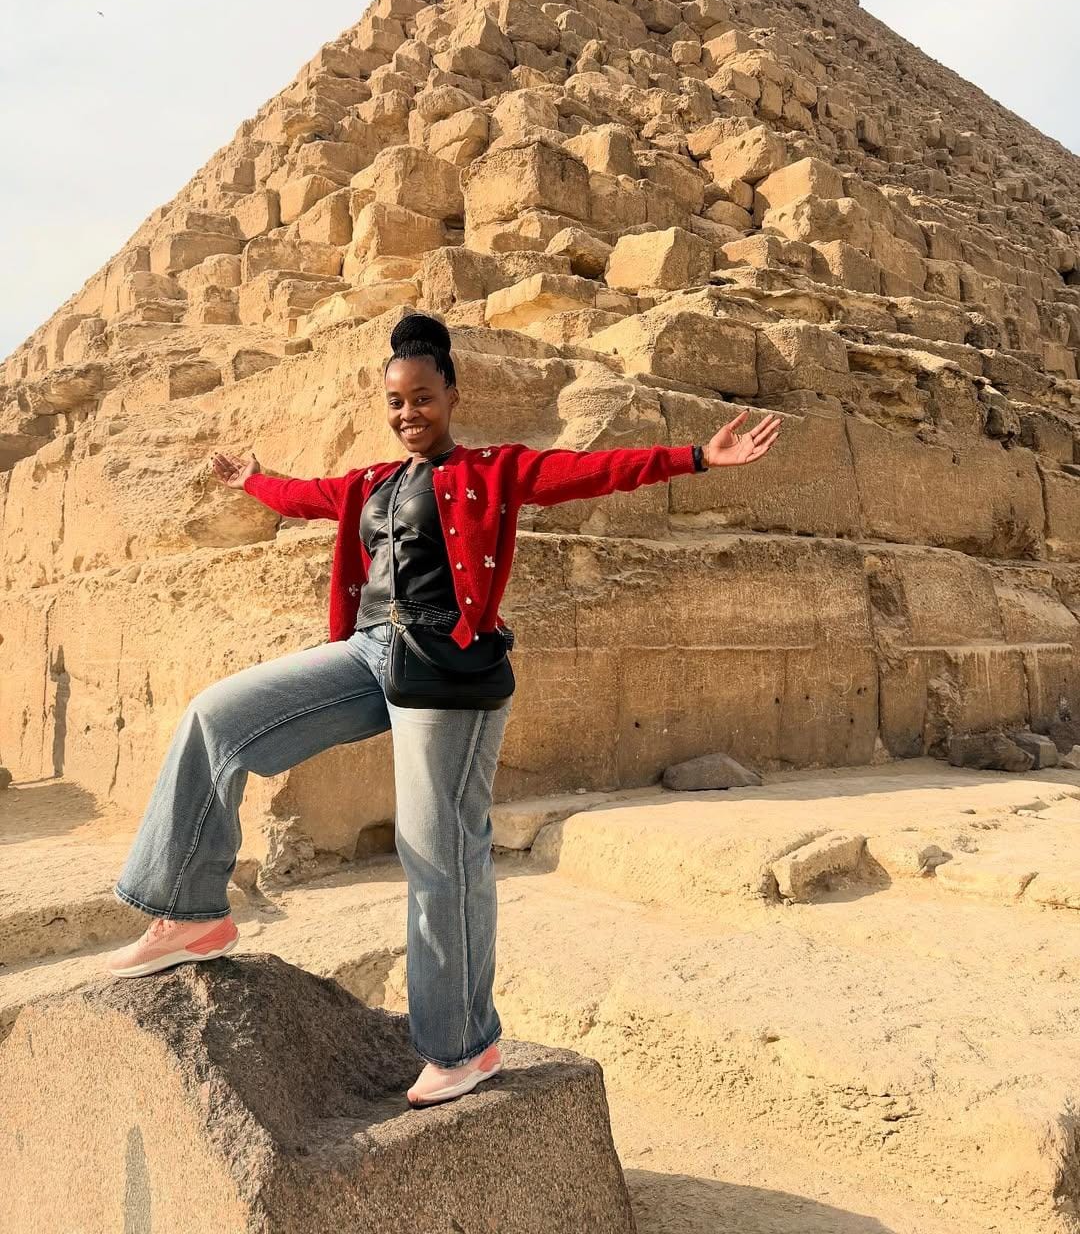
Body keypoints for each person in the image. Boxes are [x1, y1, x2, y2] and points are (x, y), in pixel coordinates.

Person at [104, 312, 783, 1107]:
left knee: (437, 852)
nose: (406, 415)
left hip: (444, 667)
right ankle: (190, 911)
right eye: (395, 402)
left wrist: (700, 456)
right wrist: (251, 477)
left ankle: (463, 1047)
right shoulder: (370, 483)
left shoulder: (494, 471)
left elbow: (593, 471)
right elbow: (302, 497)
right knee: (216, 719)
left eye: (421, 399)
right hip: (367, 653)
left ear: (452, 395)